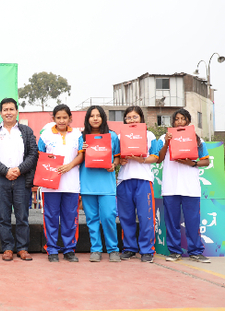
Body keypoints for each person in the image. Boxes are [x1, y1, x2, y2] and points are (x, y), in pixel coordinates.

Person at [0, 98, 38, 261]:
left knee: (22, 216)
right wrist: (6, 171)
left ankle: (22, 248)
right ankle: (7, 248)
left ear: (16, 112)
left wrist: (19, 170)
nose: (8, 112)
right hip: (1, 178)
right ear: (0, 112)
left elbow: (33, 154)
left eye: (11, 109)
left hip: (22, 179)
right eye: (5, 109)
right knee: (4, 216)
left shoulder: (26, 131)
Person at [158, 109, 210, 263]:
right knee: (172, 222)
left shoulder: (197, 139)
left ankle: (195, 252)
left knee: (193, 222)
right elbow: (159, 159)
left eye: (183, 118)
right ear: (172, 122)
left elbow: (206, 161)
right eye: (177, 119)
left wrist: (192, 163)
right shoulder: (164, 137)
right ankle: (174, 252)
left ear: (188, 121)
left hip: (190, 187)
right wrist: (167, 143)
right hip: (170, 186)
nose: (179, 121)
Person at [37, 104, 84, 263]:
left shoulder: (77, 134)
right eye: (58, 118)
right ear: (54, 119)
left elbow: (81, 155)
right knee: (50, 218)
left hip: (71, 184)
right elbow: (40, 156)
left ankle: (69, 249)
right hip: (50, 185)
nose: (62, 120)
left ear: (70, 118)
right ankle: (51, 249)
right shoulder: (46, 135)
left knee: (70, 218)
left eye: (65, 117)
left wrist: (69, 165)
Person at [116, 106, 161, 263]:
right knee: (126, 217)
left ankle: (147, 250)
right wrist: (119, 160)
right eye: (128, 117)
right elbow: (116, 157)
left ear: (141, 118)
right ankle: (129, 248)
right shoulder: (120, 136)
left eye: (135, 117)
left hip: (143, 180)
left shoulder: (149, 135)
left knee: (146, 217)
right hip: (124, 180)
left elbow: (155, 157)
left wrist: (140, 159)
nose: (132, 120)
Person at [78, 106, 121, 262]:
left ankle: (113, 249)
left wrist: (114, 165)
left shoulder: (112, 136)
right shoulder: (81, 137)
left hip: (106, 185)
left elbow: (117, 157)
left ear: (103, 118)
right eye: (92, 116)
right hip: (88, 184)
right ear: (87, 119)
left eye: (98, 115)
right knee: (92, 219)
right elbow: (78, 159)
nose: (95, 118)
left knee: (109, 216)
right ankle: (96, 249)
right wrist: (81, 150)